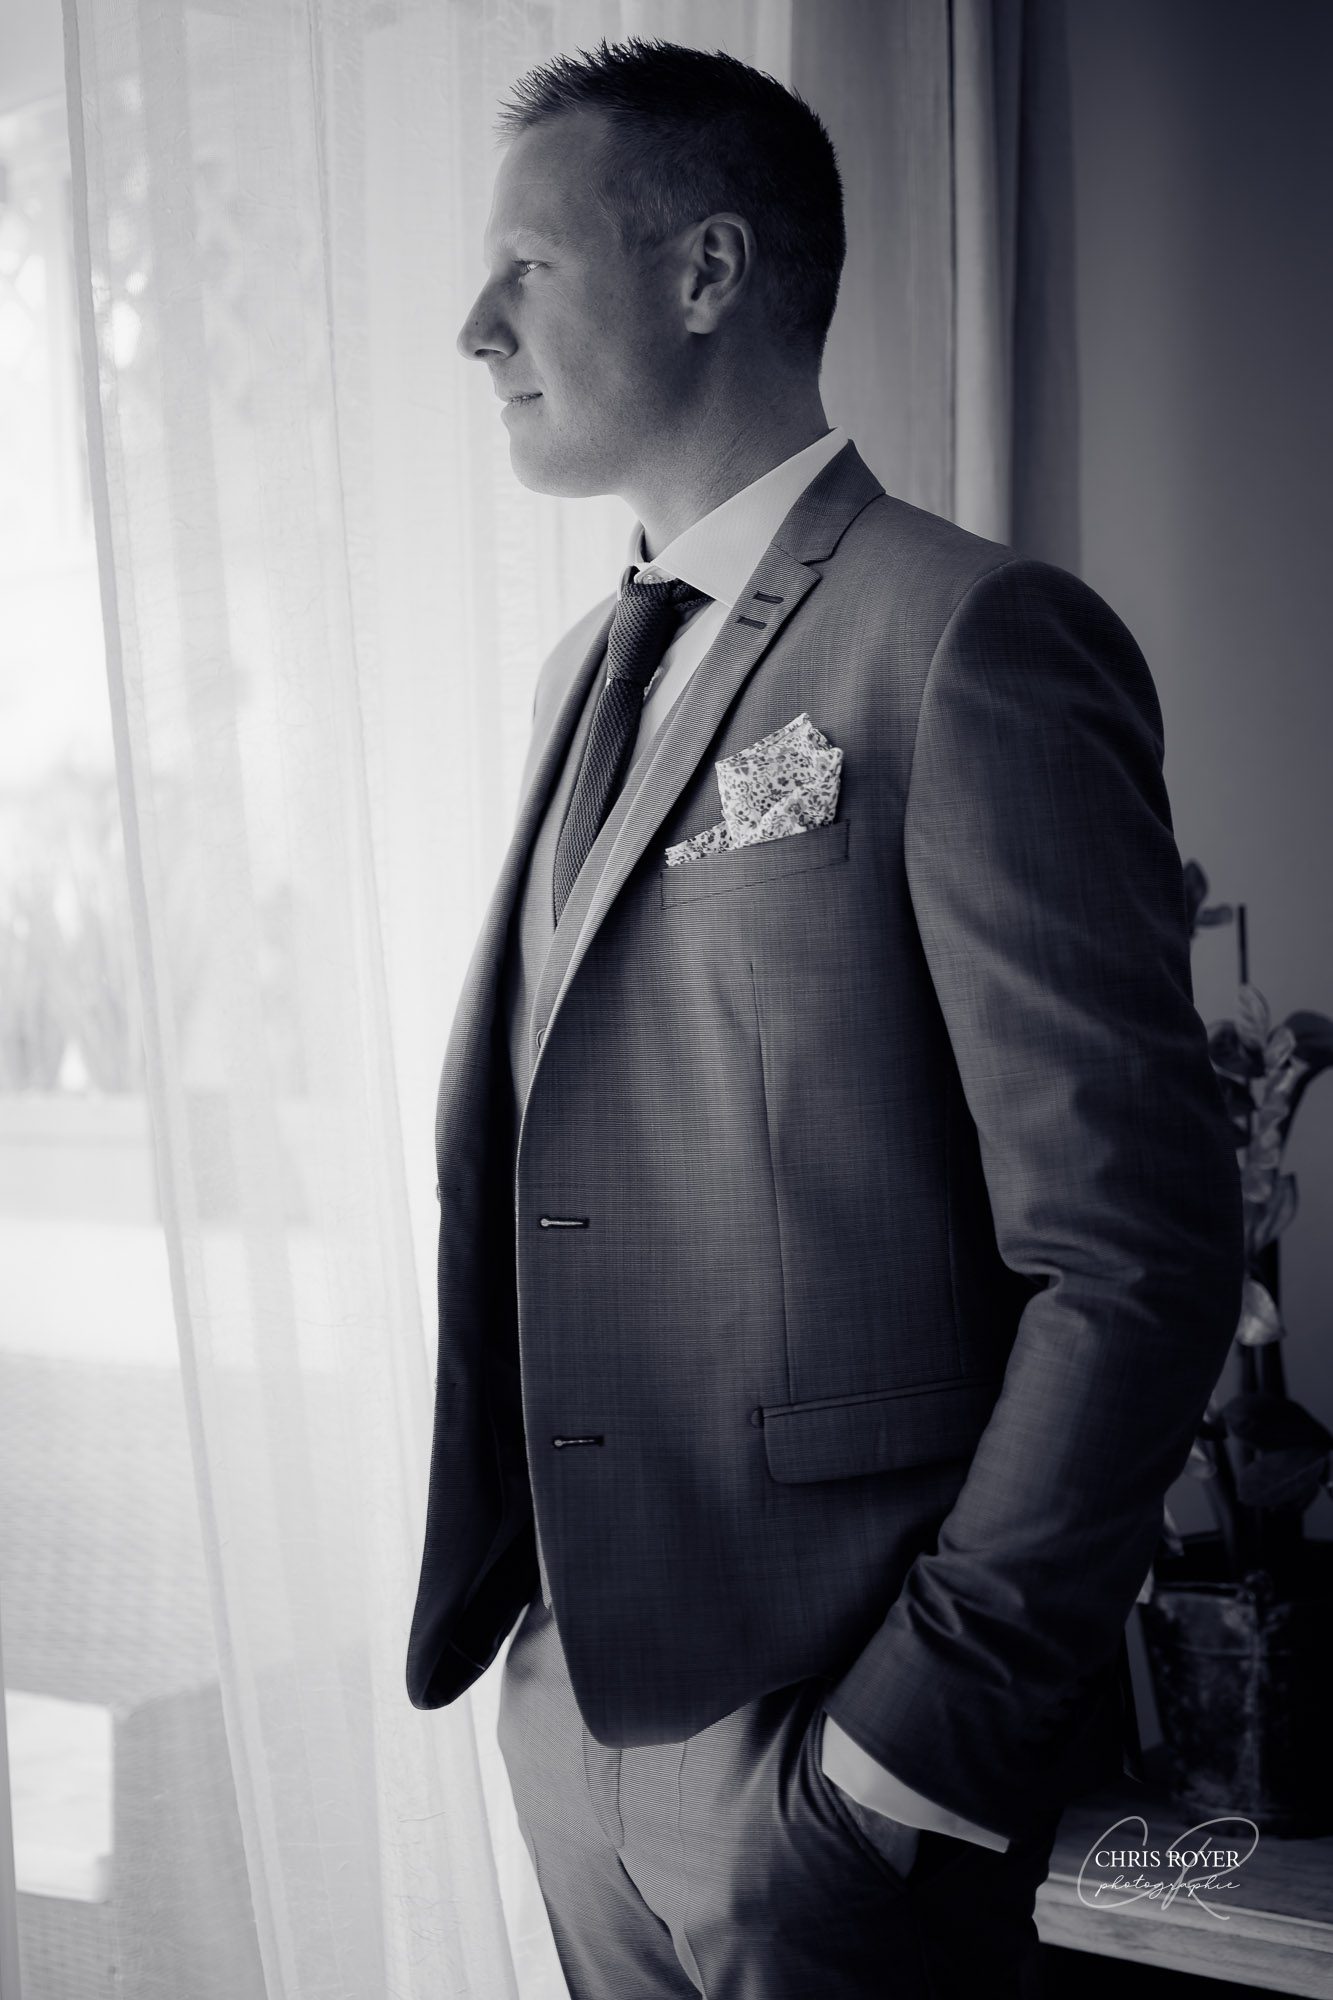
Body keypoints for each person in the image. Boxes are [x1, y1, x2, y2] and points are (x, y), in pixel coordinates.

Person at [406, 35, 1244, 1999]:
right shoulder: (576, 671)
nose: (473, 327)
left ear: (705, 270)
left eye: (526, 267)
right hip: (573, 1702)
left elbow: (1130, 1252)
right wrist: (541, 1671)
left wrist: (902, 1749)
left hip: (832, 1745)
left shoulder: (969, 638)